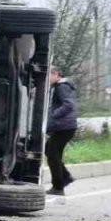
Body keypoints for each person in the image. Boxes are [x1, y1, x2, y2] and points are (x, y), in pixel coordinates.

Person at [46, 66, 78, 196]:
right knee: (50, 151)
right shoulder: (62, 86)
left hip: (64, 127)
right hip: (66, 127)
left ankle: (58, 187)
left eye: (49, 75)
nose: (48, 78)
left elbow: (69, 104)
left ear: (56, 75)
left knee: (52, 154)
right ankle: (65, 177)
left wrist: (55, 115)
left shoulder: (61, 87)